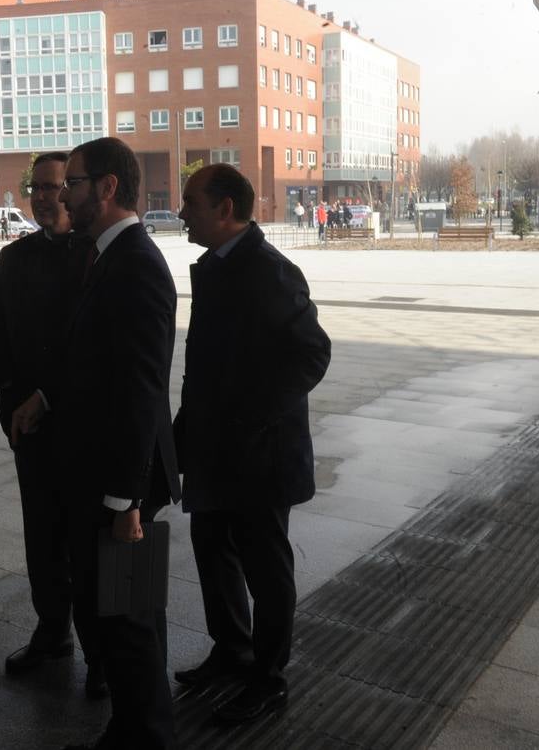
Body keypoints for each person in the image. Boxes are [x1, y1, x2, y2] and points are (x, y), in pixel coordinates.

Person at [174, 164, 331, 724]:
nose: (181, 209)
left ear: (224, 209)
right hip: (217, 450)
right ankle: (231, 649)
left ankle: (268, 677)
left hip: (261, 457)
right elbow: (205, 367)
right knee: (213, 549)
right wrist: (183, 433)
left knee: (266, 570)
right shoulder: (216, 268)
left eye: (191, 201)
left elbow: (312, 354)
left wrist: (254, 418)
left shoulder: (269, 272)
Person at [53, 137, 180, 750]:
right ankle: (136, 725)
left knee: (129, 623)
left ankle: (145, 733)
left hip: (117, 485)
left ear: (106, 188)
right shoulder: (110, 256)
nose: (61, 195)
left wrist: (124, 499)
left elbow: (140, 390)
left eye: (71, 183)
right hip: (108, 478)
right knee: (128, 616)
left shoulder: (133, 264)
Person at [0, 152, 103, 695]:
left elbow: (99, 350)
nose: (44, 196)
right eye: (36, 187)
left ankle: (103, 655)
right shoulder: (16, 257)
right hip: (28, 427)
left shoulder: (97, 255)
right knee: (43, 537)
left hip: (84, 427)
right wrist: (10, 394)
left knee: (92, 543)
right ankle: (52, 631)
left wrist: (48, 395)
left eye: (55, 186)